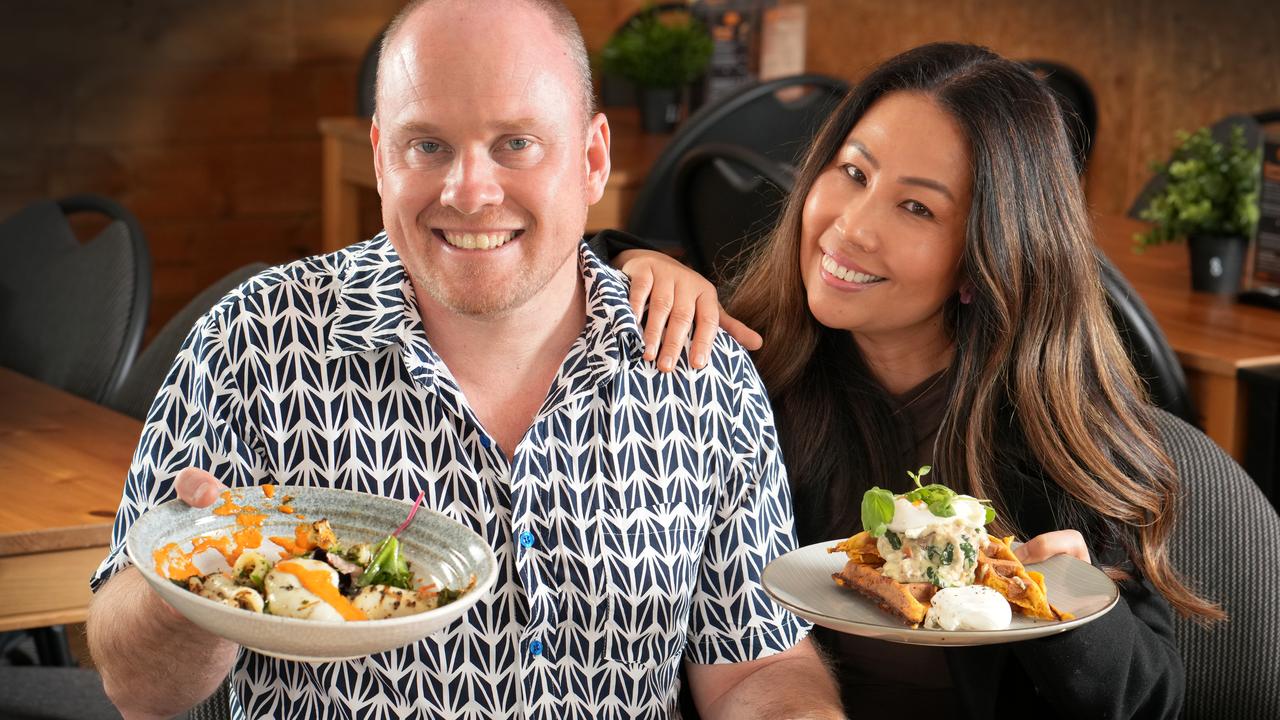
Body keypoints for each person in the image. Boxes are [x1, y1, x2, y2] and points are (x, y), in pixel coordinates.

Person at [85, 2, 845, 718]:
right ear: (382, 158)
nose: (470, 191)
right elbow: (136, 687)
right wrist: (201, 577)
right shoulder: (254, 340)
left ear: (590, 158)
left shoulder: (697, 367)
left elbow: (755, 664)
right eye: (428, 145)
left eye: (516, 143)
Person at [613, 42, 1223, 719]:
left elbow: (1150, 699)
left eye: (917, 209)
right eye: (853, 172)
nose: (851, 227)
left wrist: (1067, 601)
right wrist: (631, 260)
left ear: (982, 260)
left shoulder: (1053, 440)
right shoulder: (745, 367)